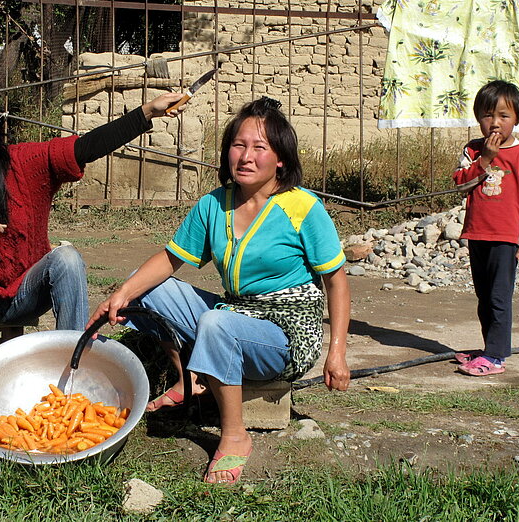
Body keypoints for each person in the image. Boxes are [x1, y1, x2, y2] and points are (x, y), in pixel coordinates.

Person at [87, 96, 351, 485]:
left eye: (259, 147)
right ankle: (191, 379)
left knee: (217, 322)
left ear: (280, 159)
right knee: (147, 290)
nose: (245, 156)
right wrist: (120, 293)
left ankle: (234, 436)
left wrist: (337, 354)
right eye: (238, 145)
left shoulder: (303, 208)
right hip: (236, 311)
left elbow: (336, 281)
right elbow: (169, 260)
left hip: (288, 330)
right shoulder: (215, 205)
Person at [0, 92, 186, 395]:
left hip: (26, 295)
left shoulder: (24, 162)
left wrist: (147, 112)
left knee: (66, 257)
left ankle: (73, 358)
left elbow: (86, 147)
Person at [452, 80, 519, 376]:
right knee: (483, 295)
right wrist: (485, 159)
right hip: (478, 234)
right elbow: (461, 184)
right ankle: (489, 347)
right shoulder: (472, 150)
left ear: (516, 119)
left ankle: (496, 357)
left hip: (505, 239)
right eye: (488, 116)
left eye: (504, 116)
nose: (495, 123)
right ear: (478, 118)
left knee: (499, 298)